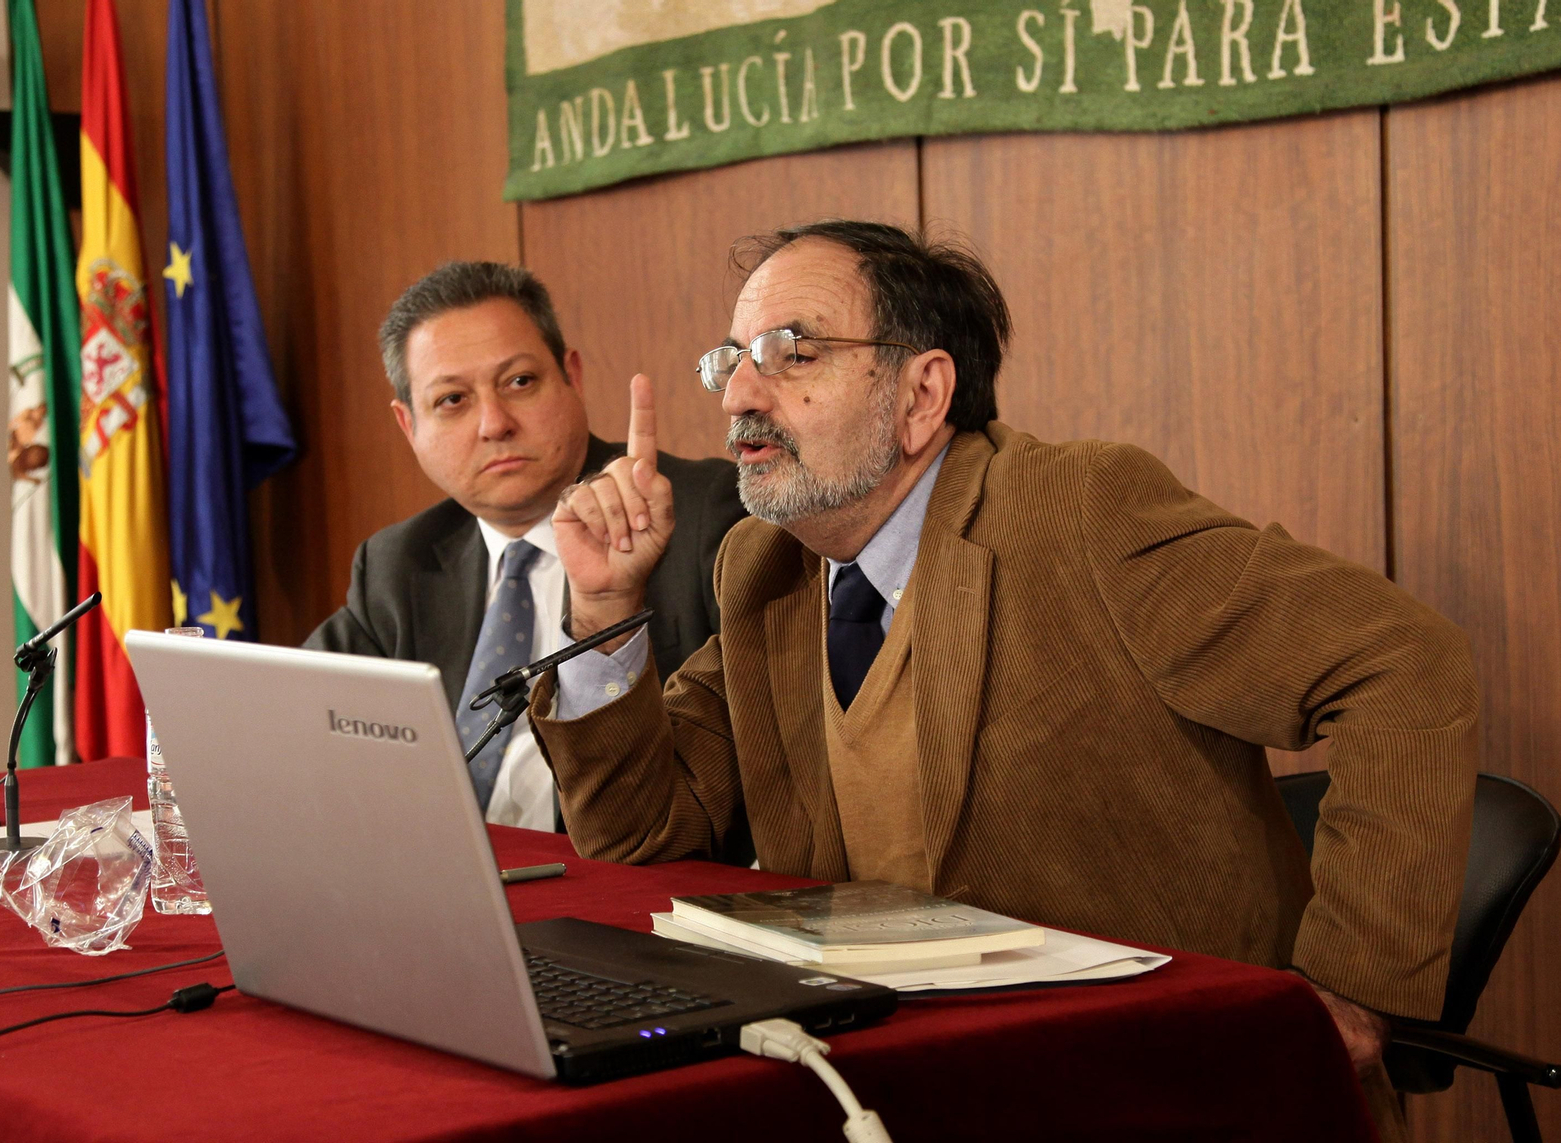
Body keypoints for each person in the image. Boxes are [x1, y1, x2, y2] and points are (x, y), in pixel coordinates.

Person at [528, 221, 1477, 1140]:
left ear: (921, 393)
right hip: (893, 1084)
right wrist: (606, 611)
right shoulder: (764, 569)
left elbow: (1404, 666)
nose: (739, 391)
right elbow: (641, 834)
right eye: (730, 357)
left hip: (1148, 1091)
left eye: (791, 353)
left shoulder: (1081, 513)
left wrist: (1352, 989)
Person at [305, 261, 746, 832]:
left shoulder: (703, 513)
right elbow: (290, 719)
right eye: (452, 400)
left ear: (572, 376)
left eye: (519, 382)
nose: (494, 423)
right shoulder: (399, 564)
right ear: (407, 424)